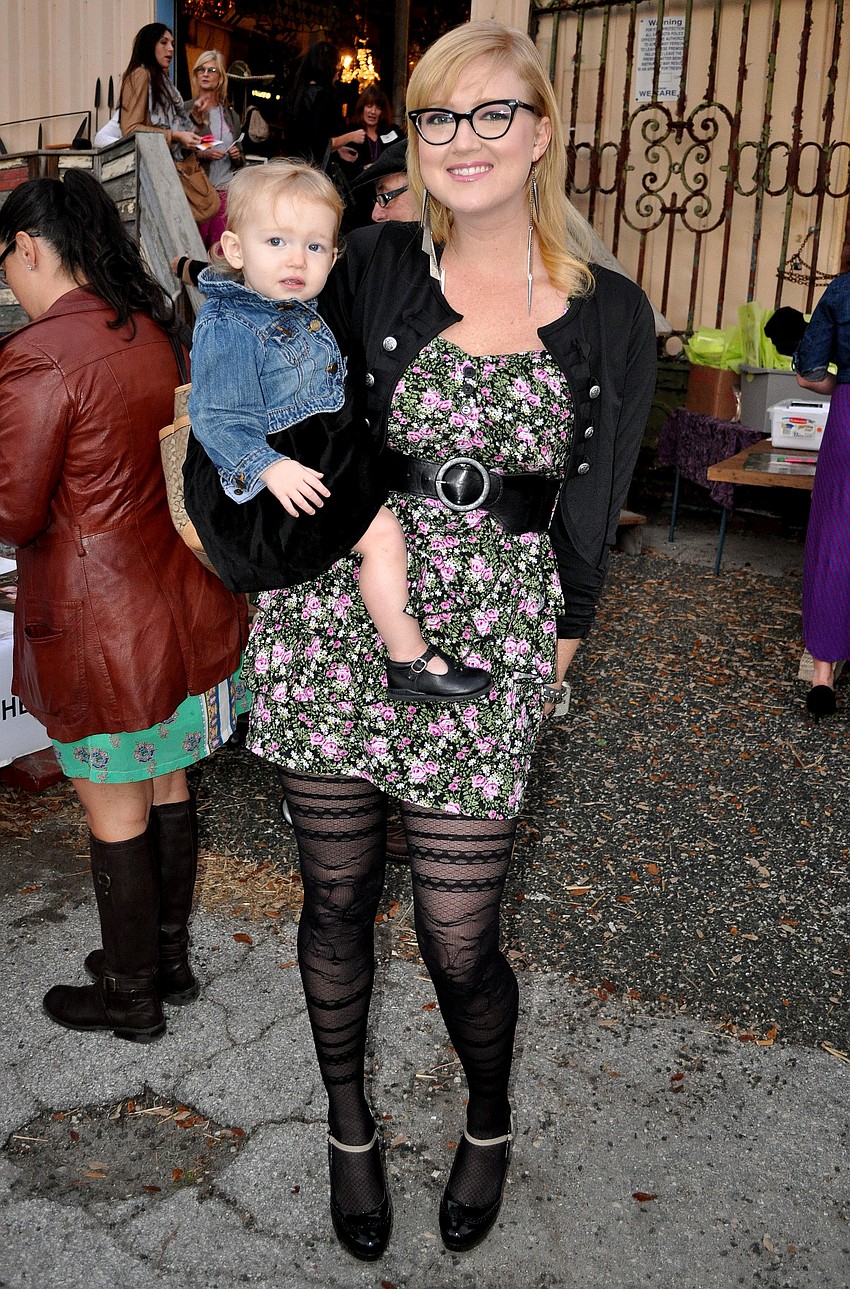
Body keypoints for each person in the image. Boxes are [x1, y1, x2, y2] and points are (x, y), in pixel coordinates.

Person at [240, 19, 657, 1260]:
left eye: (489, 115)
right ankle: (349, 1127)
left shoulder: (611, 312)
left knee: (459, 932)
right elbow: (237, 330)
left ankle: (486, 1116)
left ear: (538, 135)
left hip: (492, 640)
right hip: (338, 614)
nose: (460, 140)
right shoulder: (363, 262)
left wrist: (555, 662)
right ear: (413, 139)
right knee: (334, 896)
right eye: (436, 116)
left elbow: (590, 512)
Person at [0, 170, 249, 1044]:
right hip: (174, 606)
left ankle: (131, 996)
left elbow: (12, 509)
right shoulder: (148, 326)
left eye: (6, 262)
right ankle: (165, 962)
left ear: (28, 247)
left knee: (116, 808)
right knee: (167, 780)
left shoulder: (38, 352)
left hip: (101, 626)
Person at [186, 159, 490, 705]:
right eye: (276, 240)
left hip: (310, 458)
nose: (296, 260)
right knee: (381, 535)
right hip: (264, 477)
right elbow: (218, 419)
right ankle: (409, 658)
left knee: (382, 535)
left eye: (315, 247)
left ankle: (393, 655)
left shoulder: (301, 306)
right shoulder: (229, 325)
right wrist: (268, 466)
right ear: (235, 250)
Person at [794, 272, 850, 720]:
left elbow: (809, 373)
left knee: (836, 533)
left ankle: (822, 678)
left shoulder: (843, 288)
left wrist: (841, 384)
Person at [184, 50, 245, 250]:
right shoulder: (186, 110)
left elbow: (241, 160)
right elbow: (174, 152)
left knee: (220, 251)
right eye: (201, 69)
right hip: (198, 192)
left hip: (225, 192)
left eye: (212, 70)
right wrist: (203, 153)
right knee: (195, 248)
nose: (206, 74)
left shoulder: (231, 115)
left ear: (220, 78)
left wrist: (237, 155)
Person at [118, 23, 202, 157]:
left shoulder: (162, 80)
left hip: (170, 161)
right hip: (151, 164)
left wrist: (194, 115)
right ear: (149, 45)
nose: (170, 49)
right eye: (164, 42)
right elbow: (130, 129)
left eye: (172, 44)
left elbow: (172, 122)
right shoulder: (140, 75)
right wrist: (175, 136)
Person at [284, 41, 365, 167]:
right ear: (329, 68)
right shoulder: (323, 97)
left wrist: (337, 148)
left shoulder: (297, 93)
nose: (339, 76)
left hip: (294, 165)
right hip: (312, 169)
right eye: (338, 69)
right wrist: (352, 136)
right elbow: (320, 142)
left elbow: (307, 139)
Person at [339, 87, 405, 228]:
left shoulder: (393, 132)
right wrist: (363, 168)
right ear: (362, 108)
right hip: (359, 204)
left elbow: (404, 159)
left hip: (389, 201)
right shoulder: (349, 133)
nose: (373, 111)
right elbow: (342, 170)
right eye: (369, 106)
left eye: (378, 107)